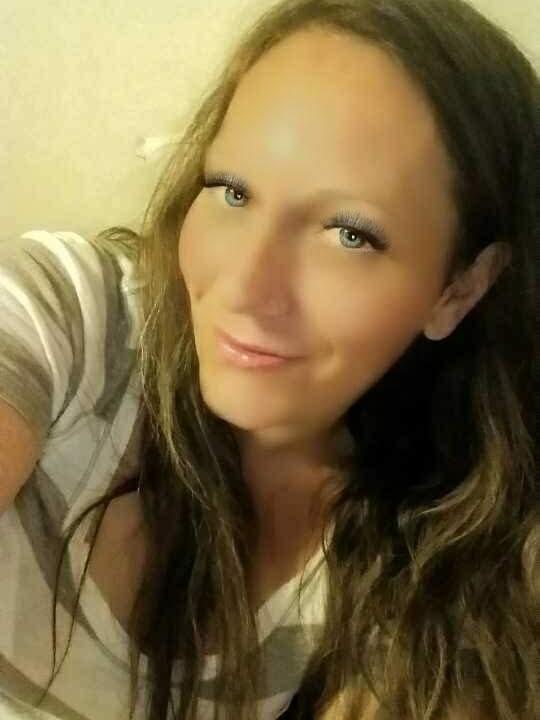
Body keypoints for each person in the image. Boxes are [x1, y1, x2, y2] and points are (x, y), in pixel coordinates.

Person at [0, 0, 537, 718]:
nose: (245, 287)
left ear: (459, 288)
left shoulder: (450, 558)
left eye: (349, 233)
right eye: (233, 191)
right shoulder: (69, 318)